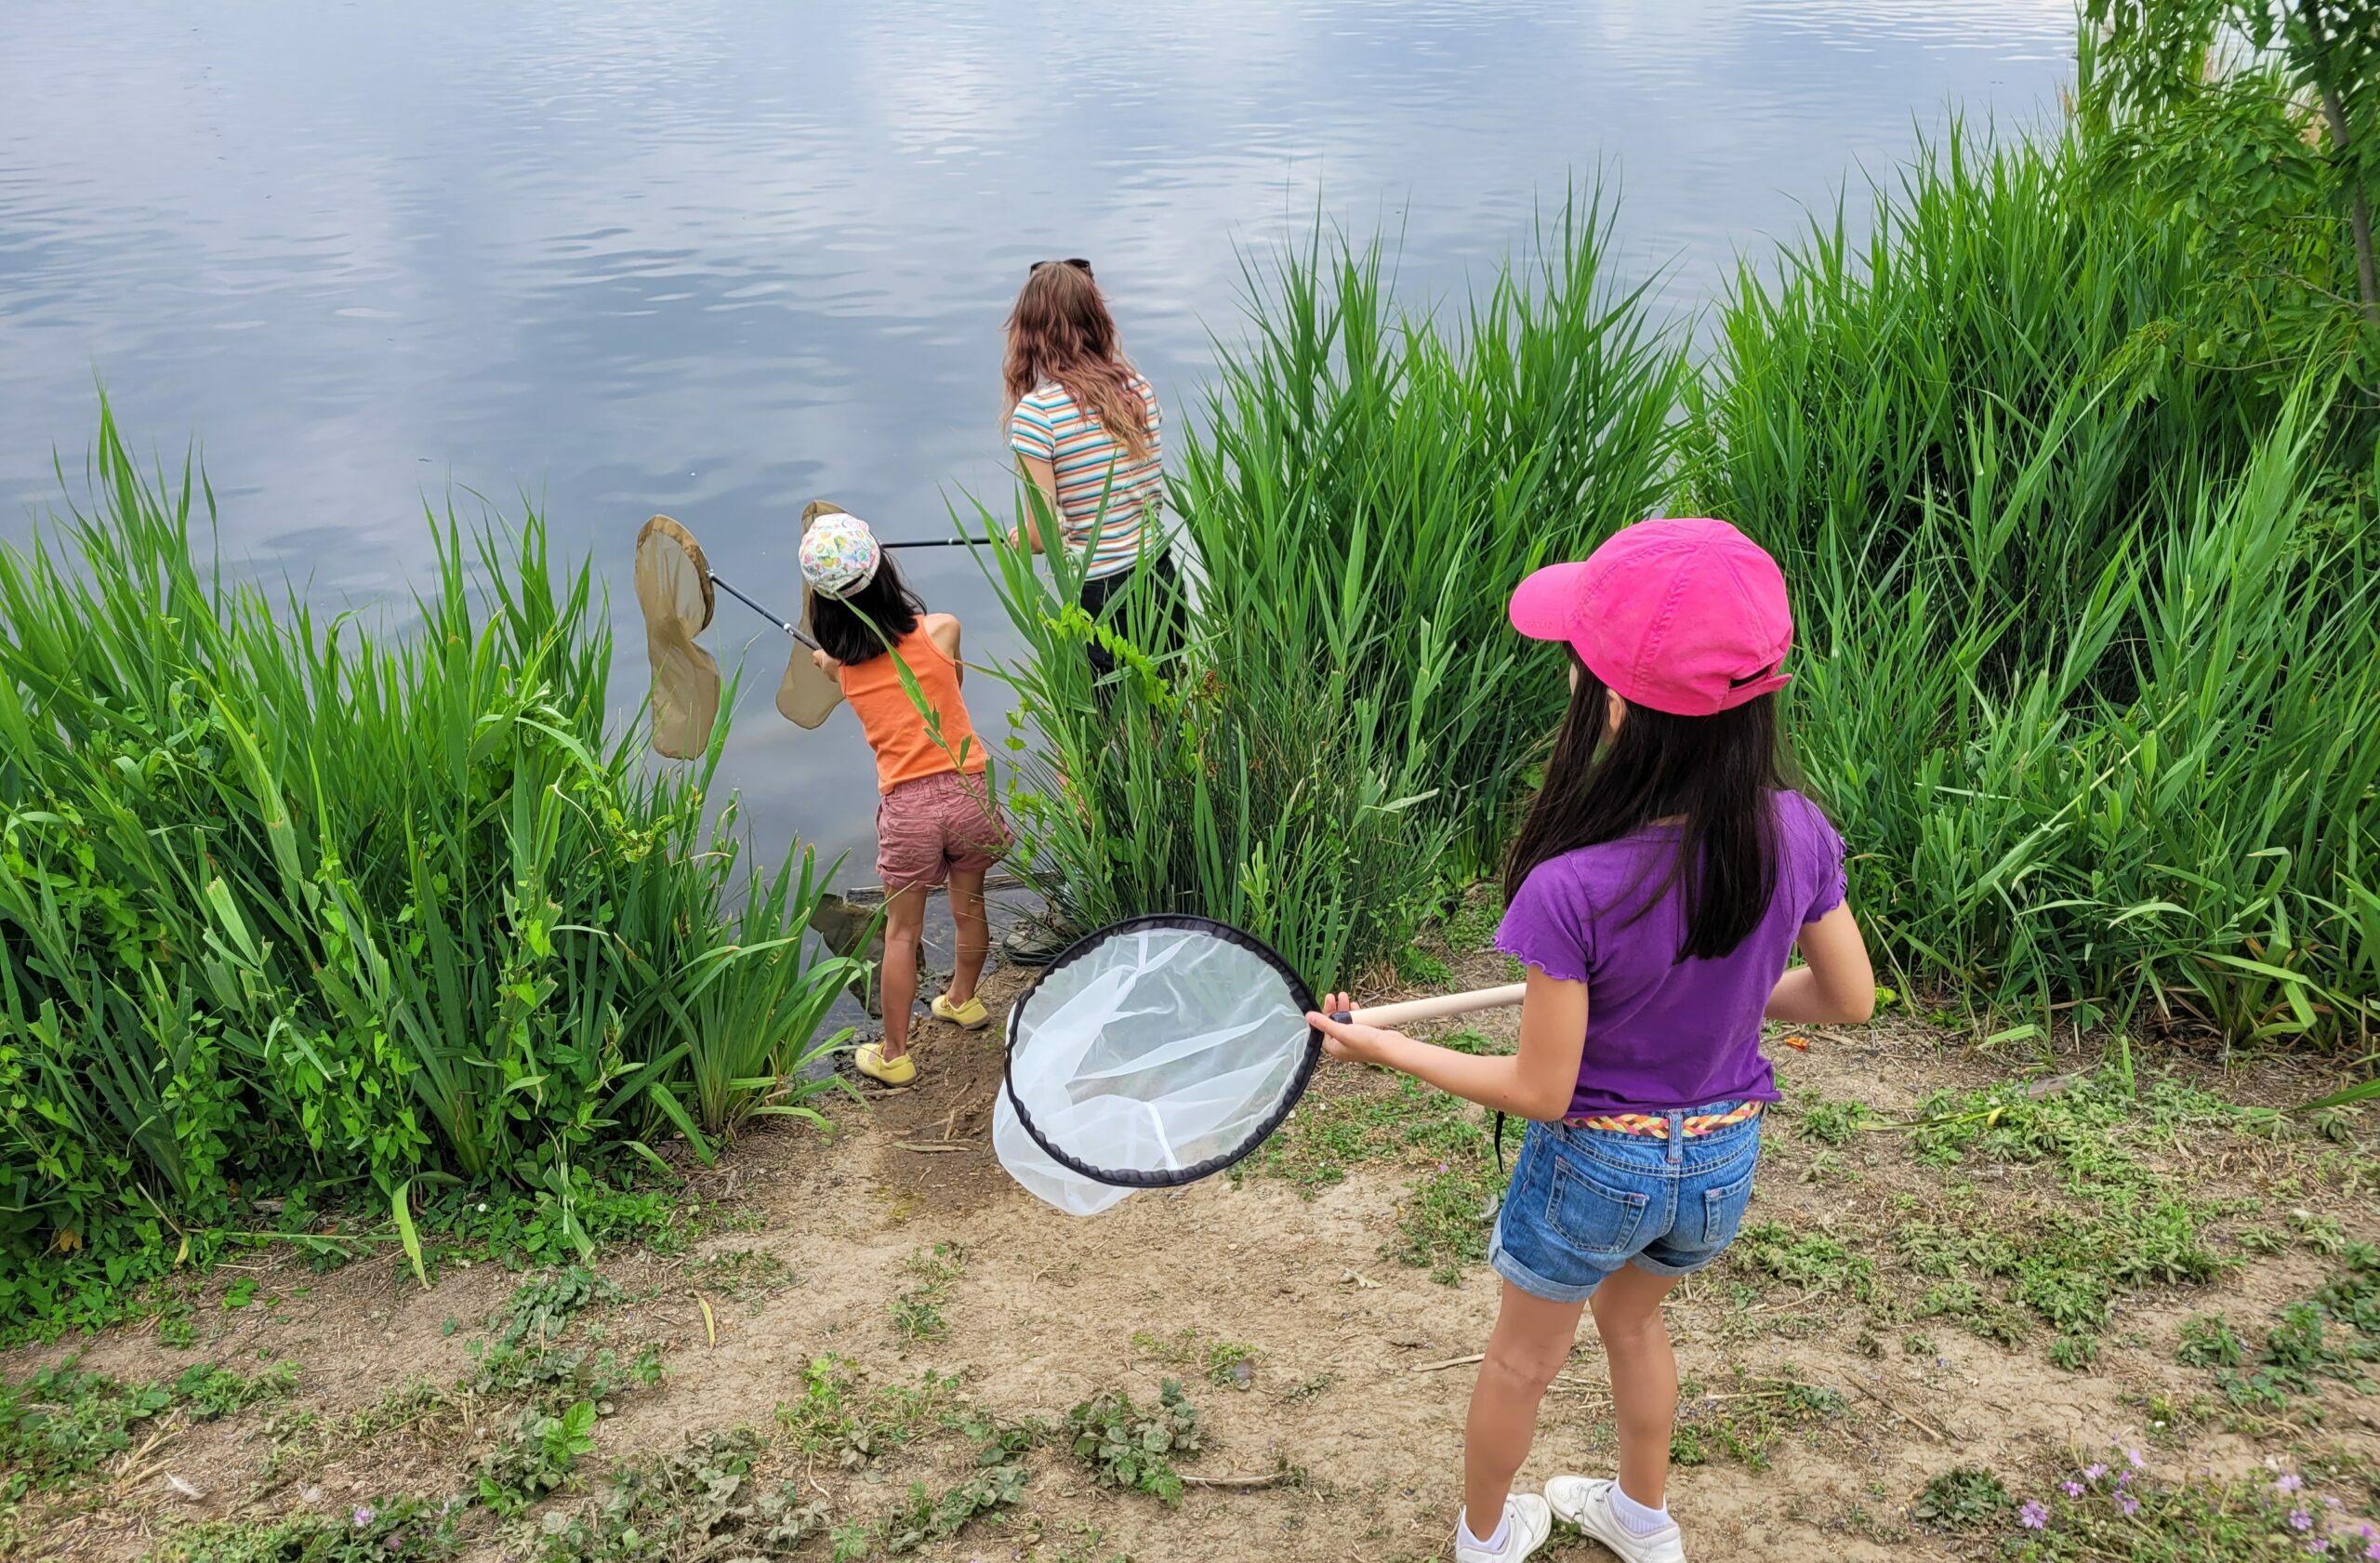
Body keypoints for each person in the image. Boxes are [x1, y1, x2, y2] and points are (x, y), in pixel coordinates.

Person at [1308, 519, 1876, 1563]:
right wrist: (1731, 999)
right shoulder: (1794, 828)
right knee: (1634, 1323)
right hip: (1718, 1157)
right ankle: (1643, 1520)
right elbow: (1847, 998)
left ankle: (1485, 1538)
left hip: (1596, 1160)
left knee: (1524, 1360)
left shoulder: (1567, 887)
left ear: (1613, 709)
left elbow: (1539, 1085)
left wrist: (1382, 1049)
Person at [800, 512, 1012, 1086]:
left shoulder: (844, 672)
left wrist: (829, 661)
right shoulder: (943, 629)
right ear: (887, 573)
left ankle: (894, 1055)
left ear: (823, 608)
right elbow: (953, 682)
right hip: (970, 790)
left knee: (901, 933)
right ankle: (963, 999)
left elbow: (829, 661)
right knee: (970, 905)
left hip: (910, 808)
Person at [1003, 257, 1186, 679]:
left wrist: (1020, 539)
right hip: (1159, 573)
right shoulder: (1137, 388)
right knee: (1167, 711)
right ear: (1095, 319)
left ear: (1029, 332)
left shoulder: (1037, 414)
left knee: (1111, 732)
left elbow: (1041, 535)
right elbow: (1135, 495)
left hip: (1100, 594)